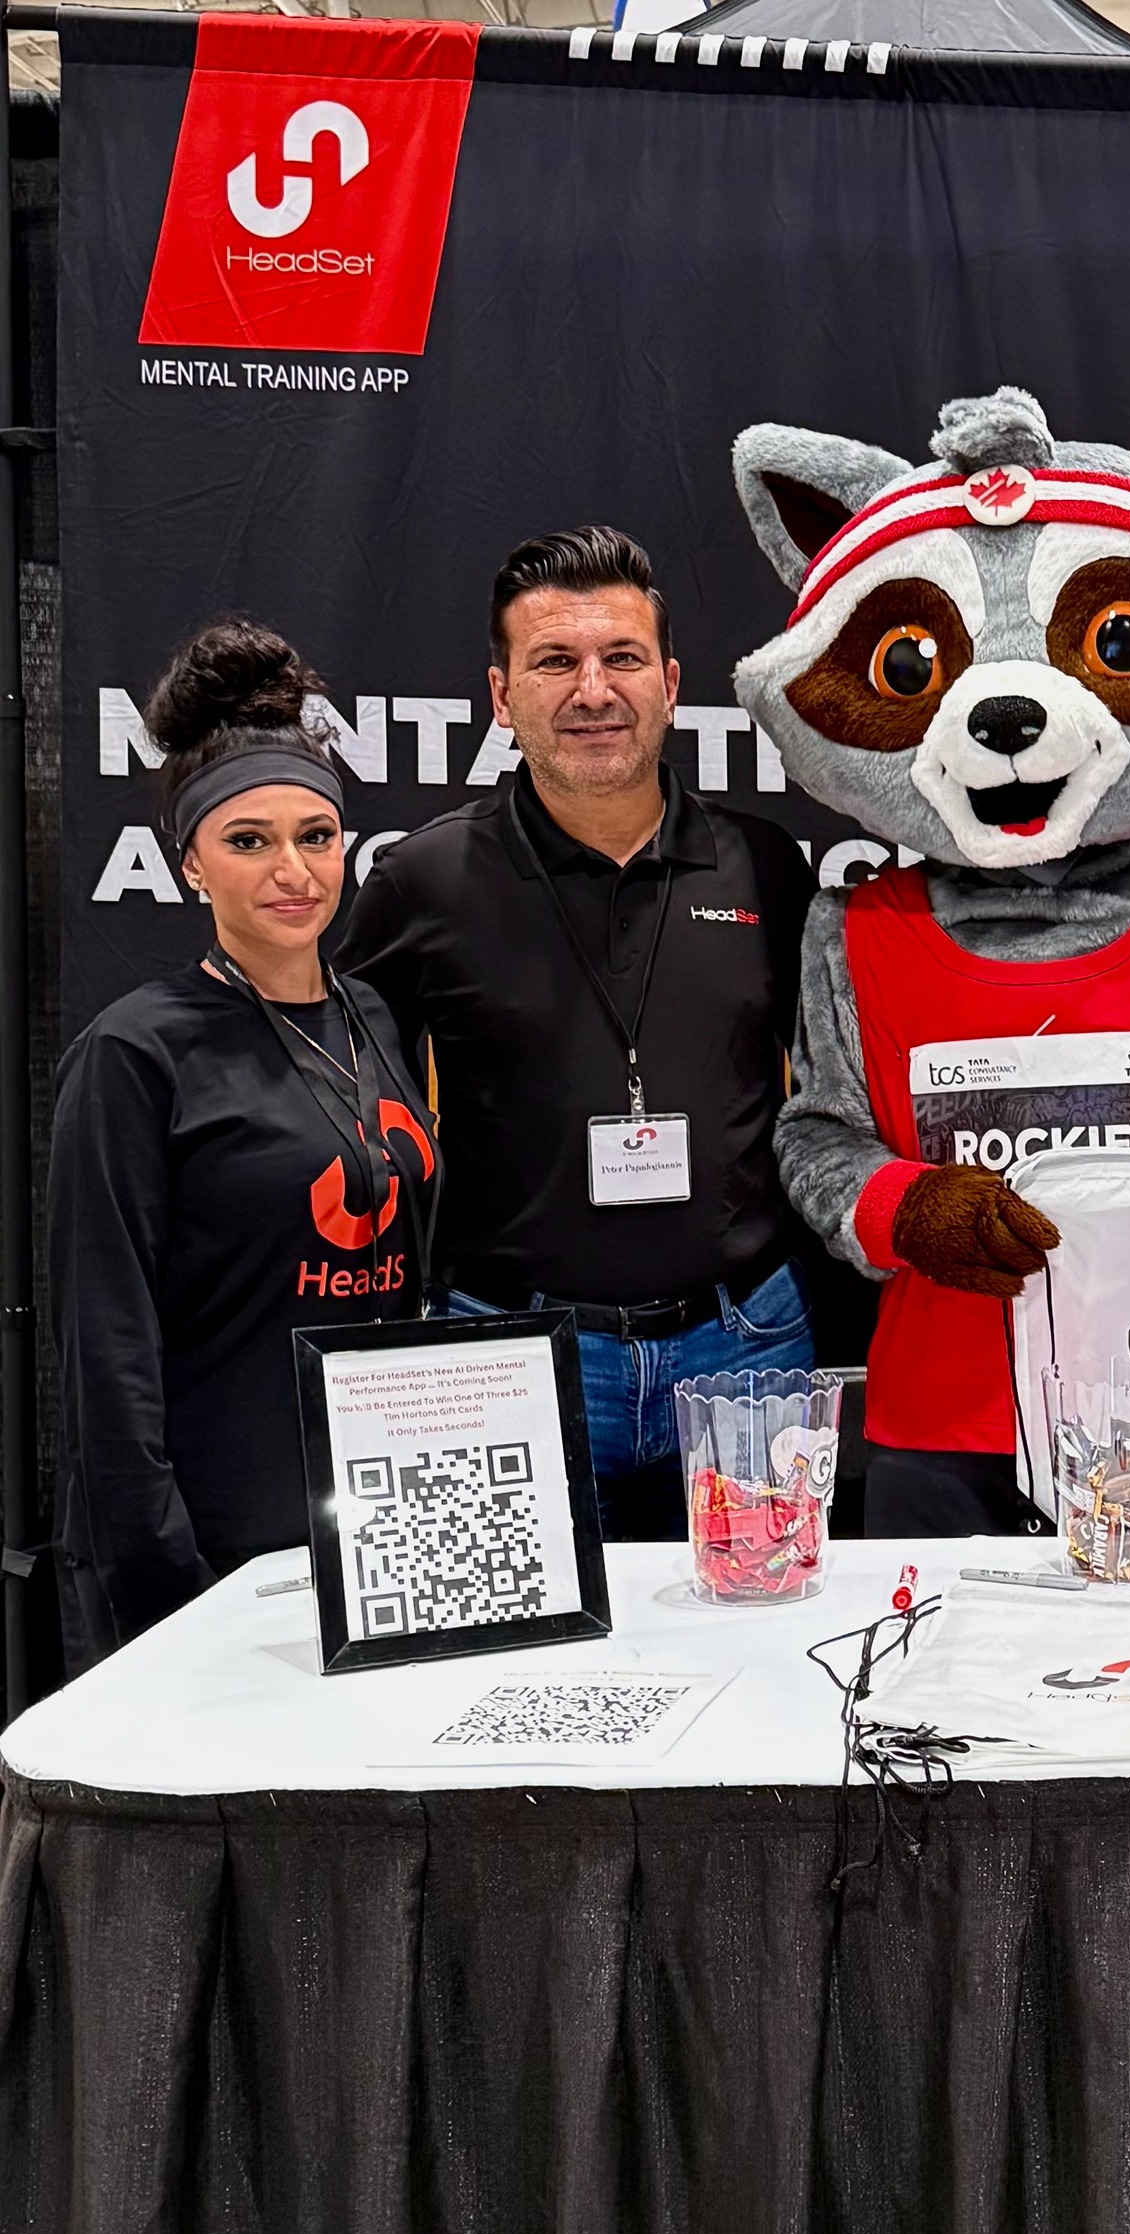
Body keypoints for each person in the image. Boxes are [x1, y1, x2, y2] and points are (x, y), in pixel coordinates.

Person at [342, 527, 816, 1537]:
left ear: (671, 682)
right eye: (554, 661)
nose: (592, 690)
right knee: (516, 1666)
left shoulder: (766, 868)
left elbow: (828, 1098)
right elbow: (345, 1109)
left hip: (744, 1348)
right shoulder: (420, 884)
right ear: (502, 697)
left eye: (622, 658)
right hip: (512, 1348)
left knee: (762, 1629)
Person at [48, 623, 438, 1672]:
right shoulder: (136, 1050)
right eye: (249, 840)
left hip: (377, 1530)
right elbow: (105, 1345)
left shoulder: (375, 1020)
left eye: (315, 835)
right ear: (189, 863)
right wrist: (157, 1572)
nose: (293, 871)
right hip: (220, 1551)